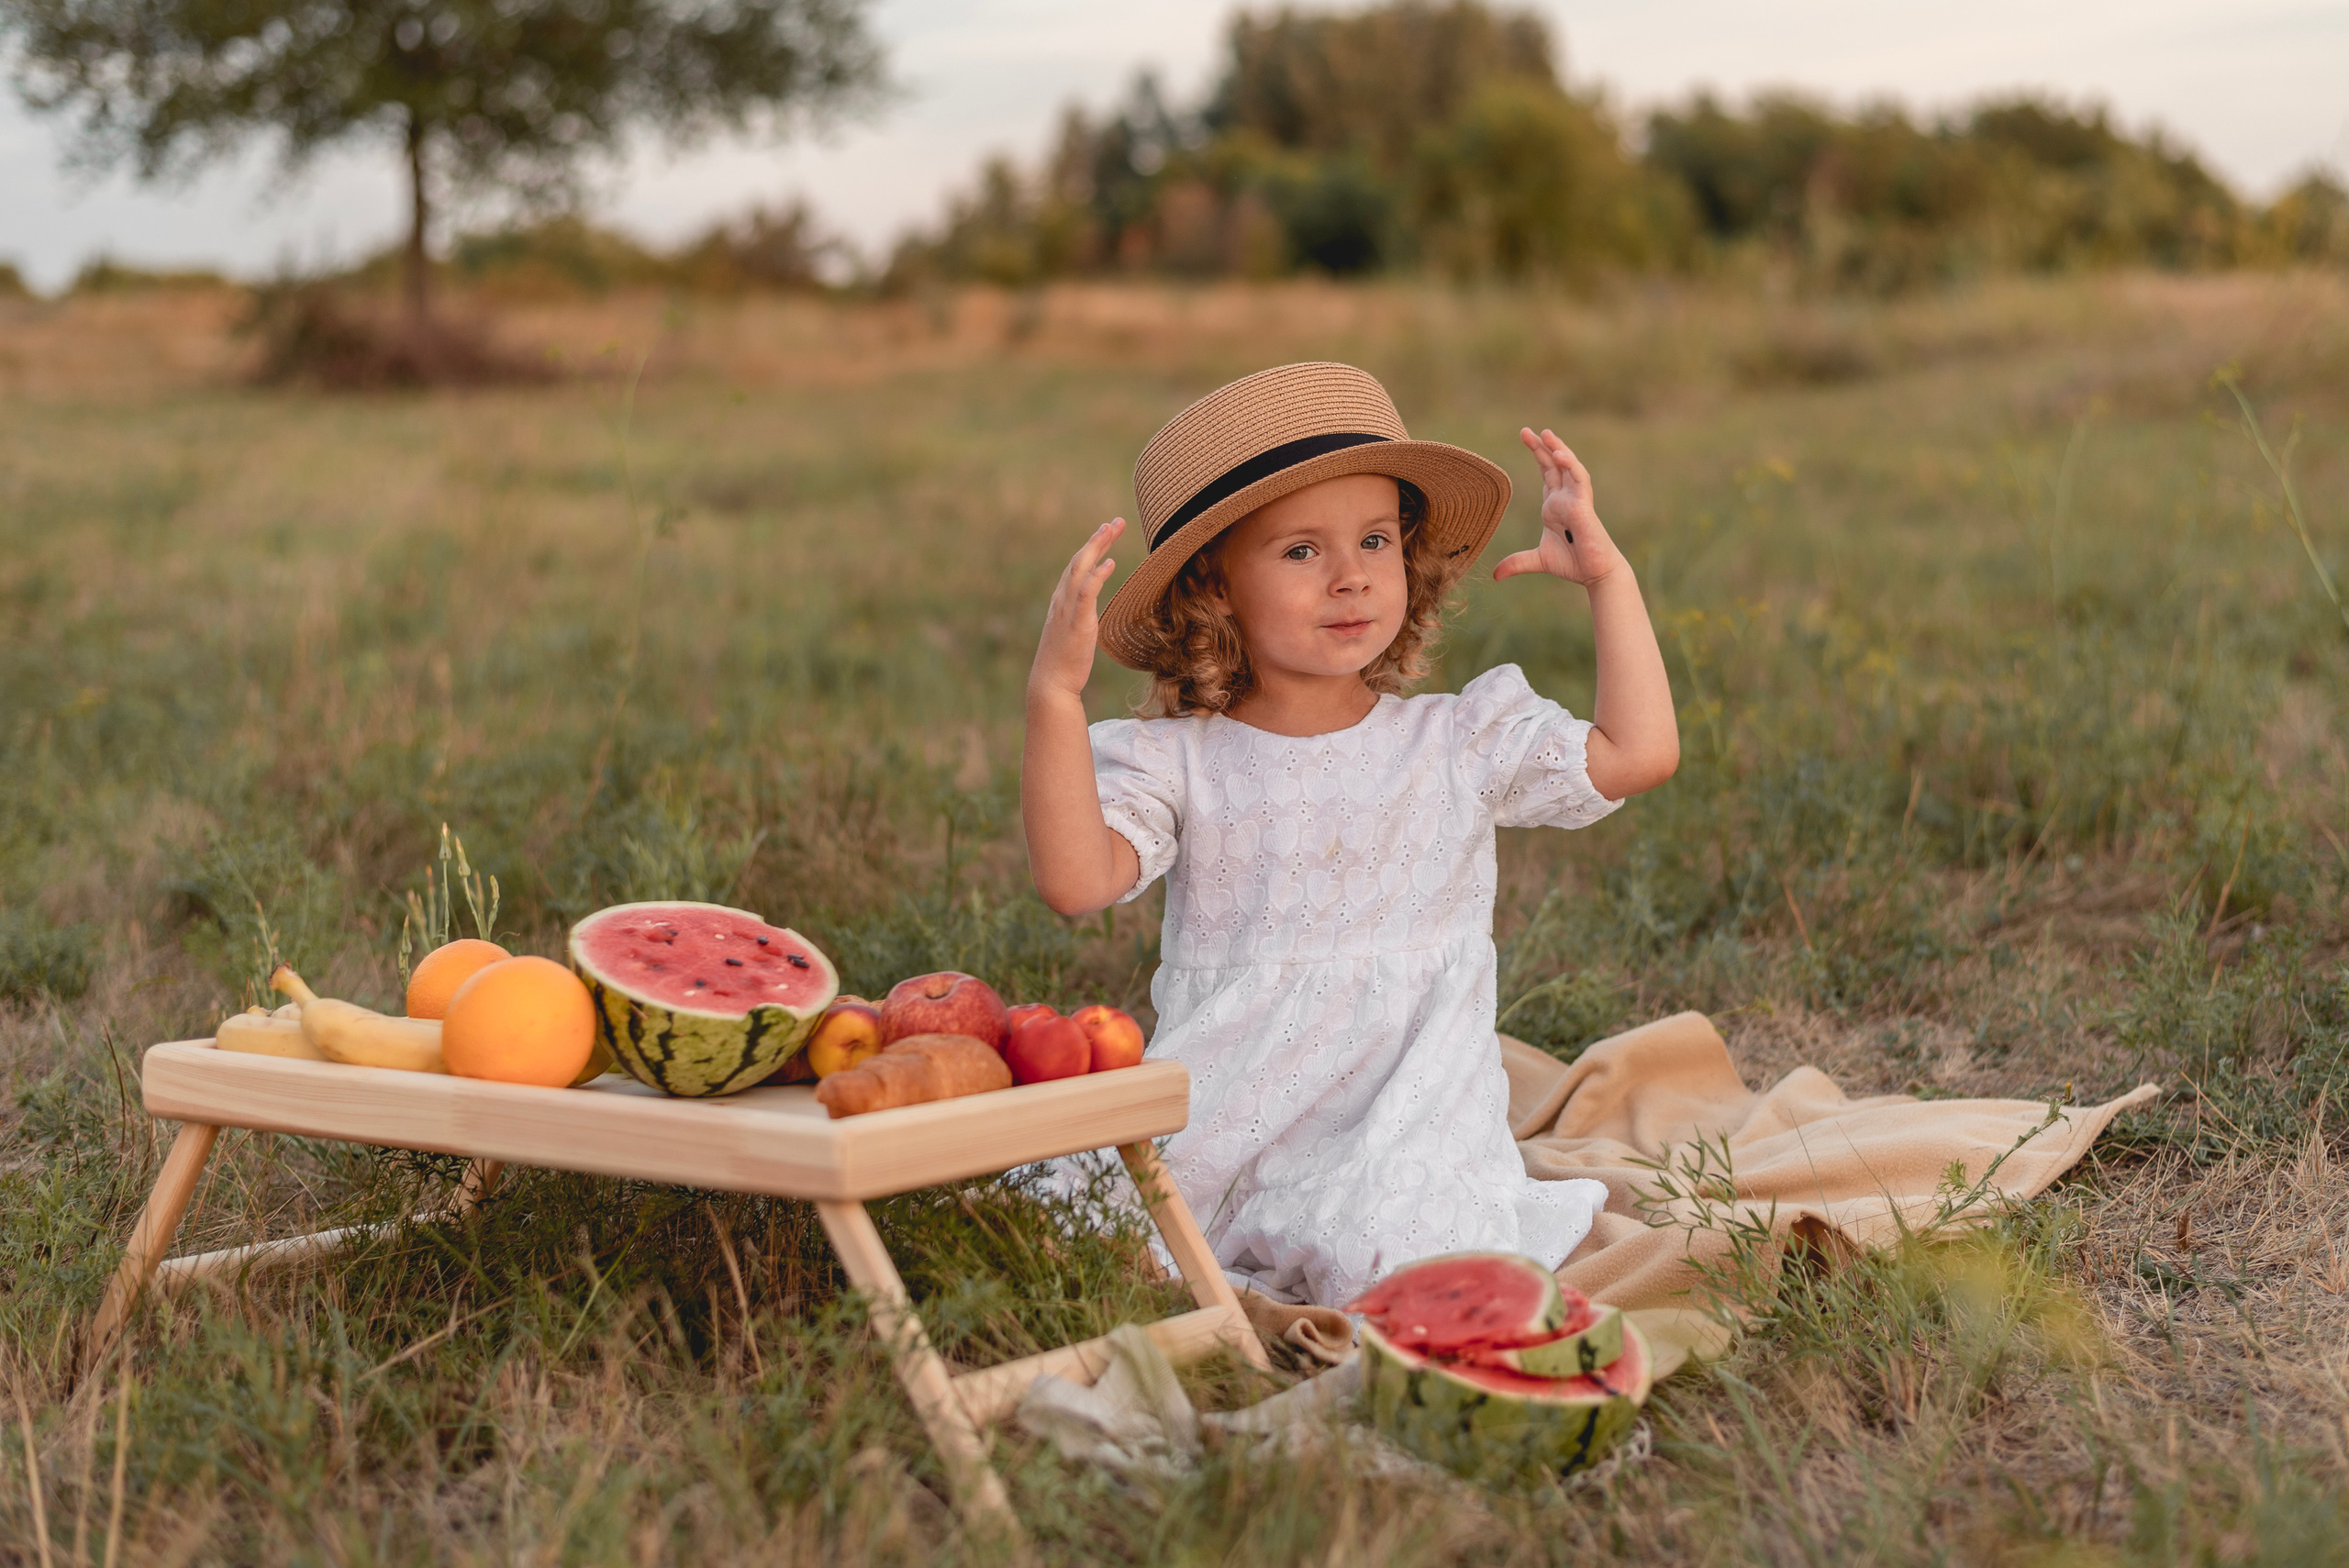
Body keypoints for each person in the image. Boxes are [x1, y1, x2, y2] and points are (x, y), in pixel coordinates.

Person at [1021, 362, 1680, 1307]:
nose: (1350, 575)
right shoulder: (1182, 761)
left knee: (1388, 1246)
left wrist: (1607, 579)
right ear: (1211, 586)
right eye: (1299, 550)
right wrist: (1051, 696)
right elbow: (1075, 880)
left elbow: (1638, 752)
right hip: (1228, 1109)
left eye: (1375, 539)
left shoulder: (1454, 739)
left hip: (1407, 1118)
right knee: (1063, 1228)